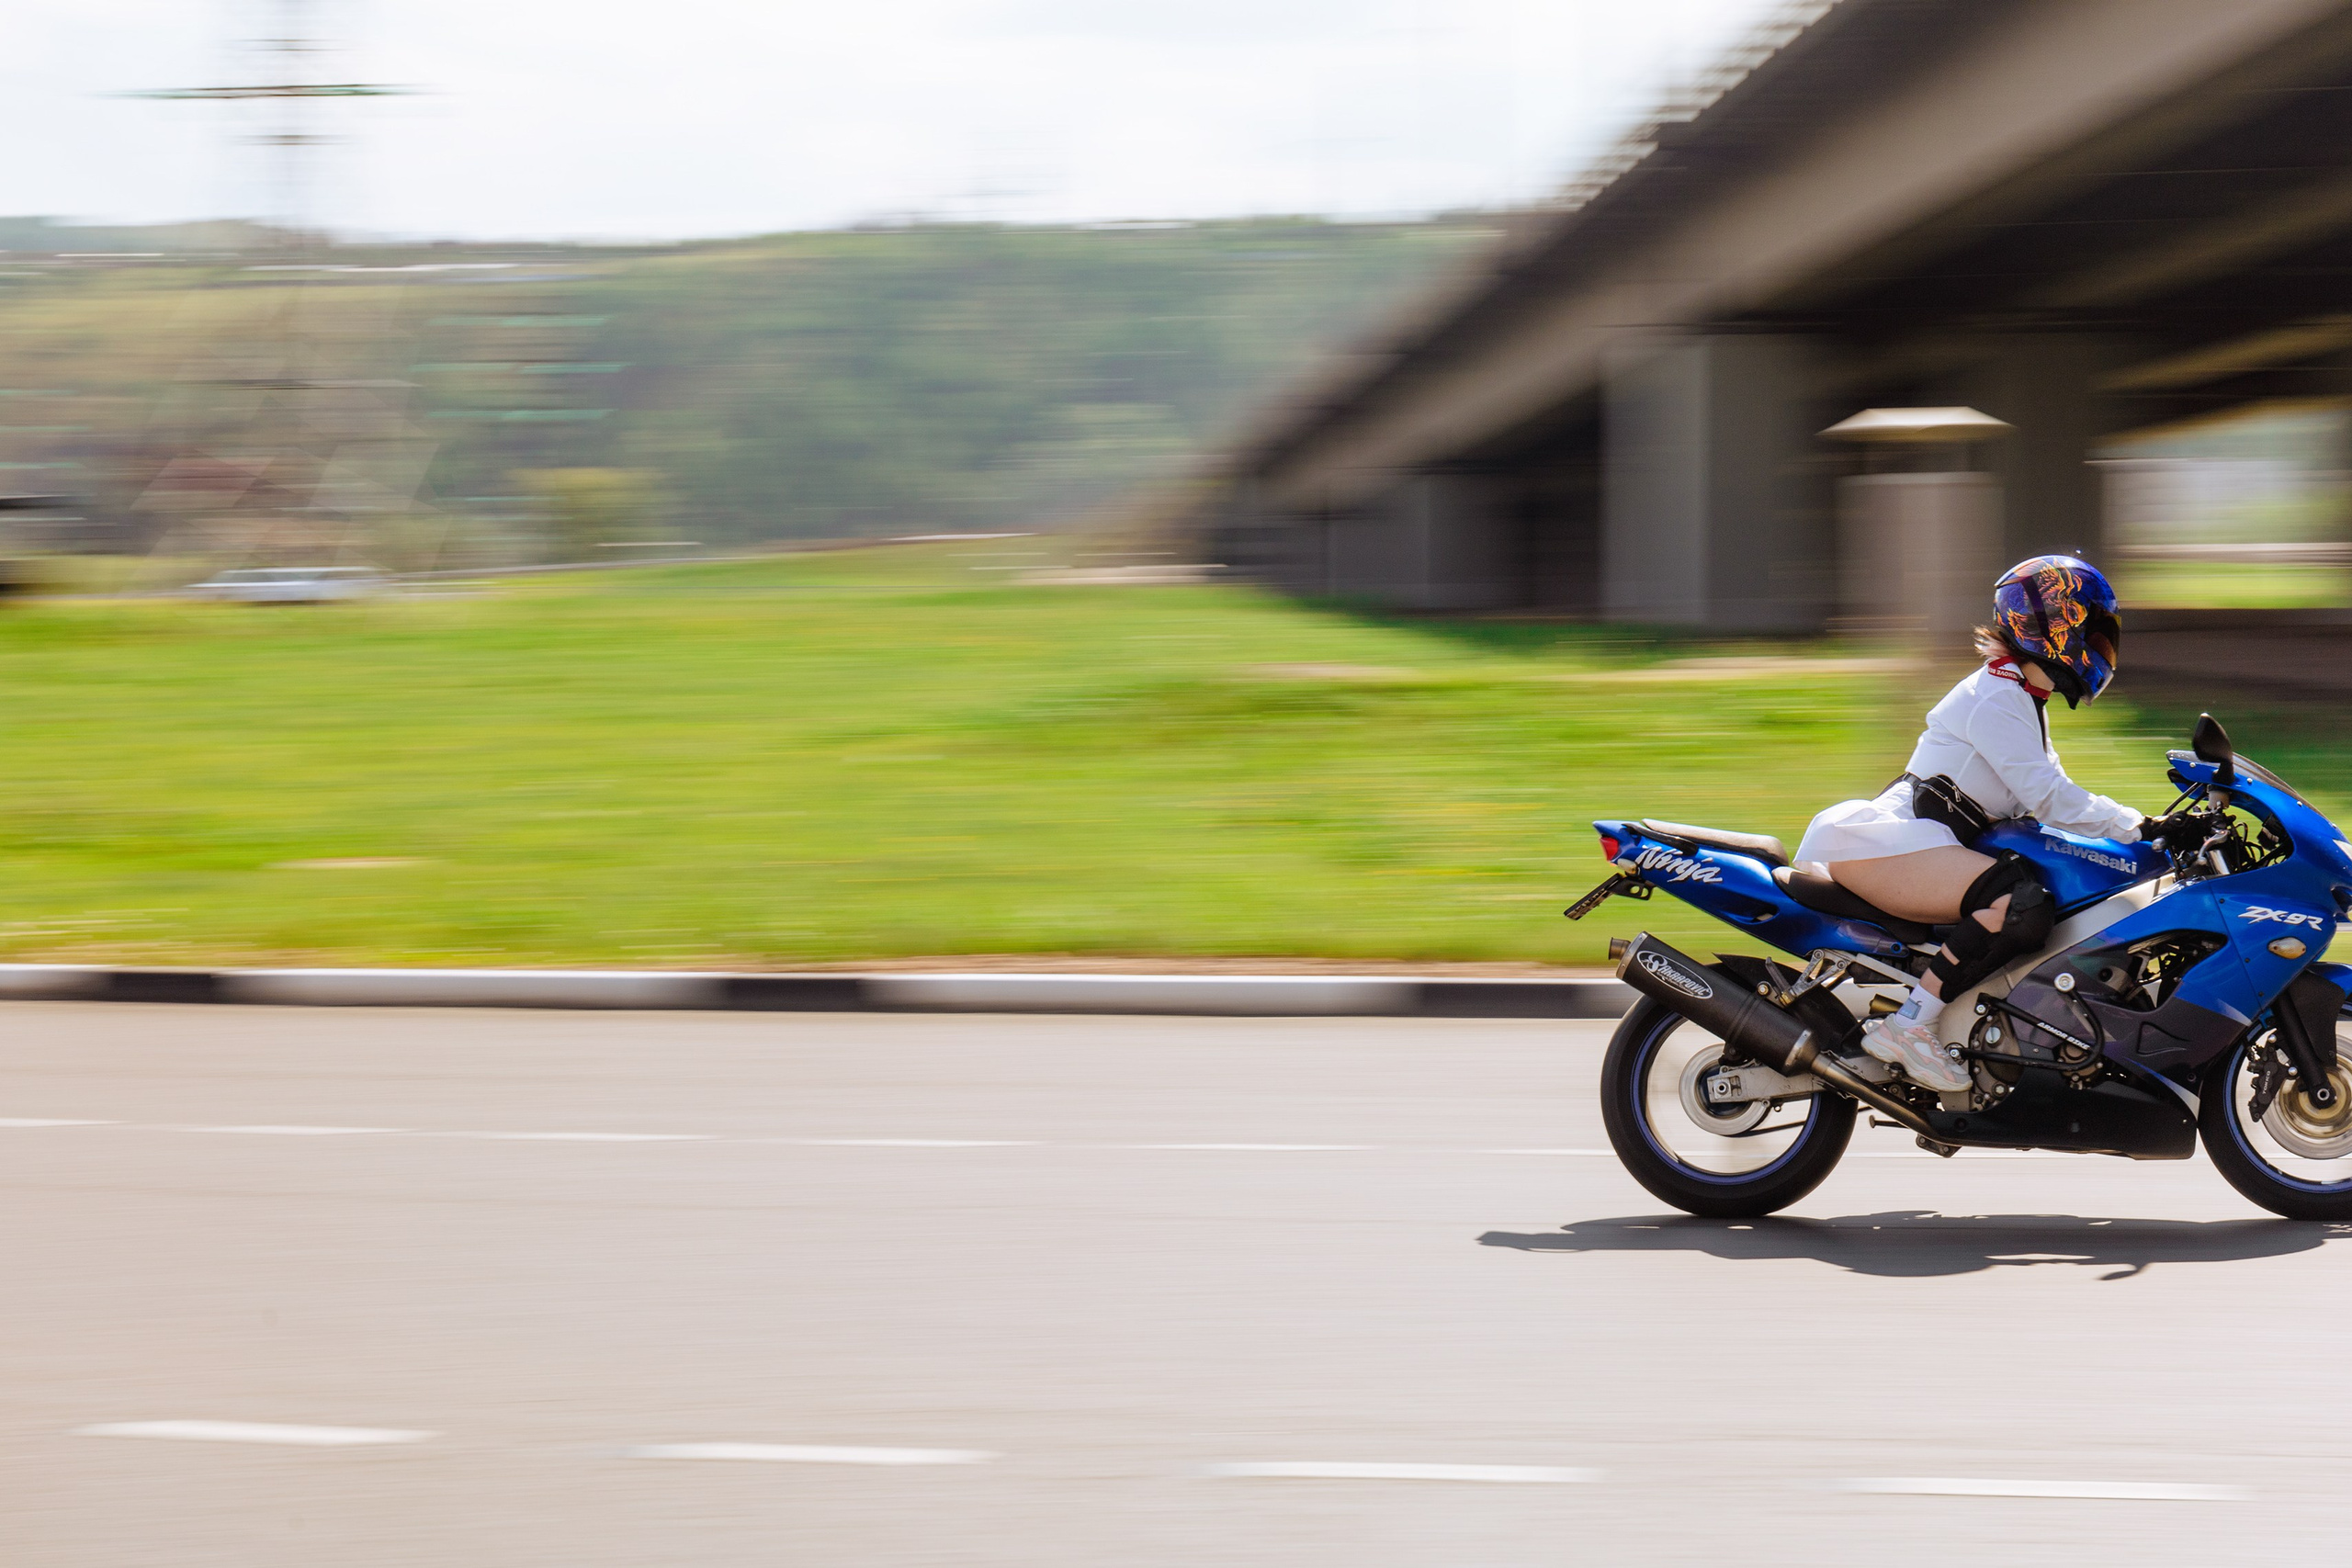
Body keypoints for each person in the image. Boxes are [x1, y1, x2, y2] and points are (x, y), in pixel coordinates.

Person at [1793, 556, 2199, 1092]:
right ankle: (1910, 1026)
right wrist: (2144, 828)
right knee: (2018, 903)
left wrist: (2143, 837)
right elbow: (2052, 798)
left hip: (1921, 845)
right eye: (2094, 634)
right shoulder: (1997, 696)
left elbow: (2052, 797)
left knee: (2045, 885)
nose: (2102, 650)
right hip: (1888, 844)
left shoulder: (2022, 696)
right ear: (2057, 625)